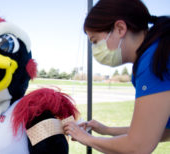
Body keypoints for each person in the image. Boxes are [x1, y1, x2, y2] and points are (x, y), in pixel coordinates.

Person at [63, 0, 170, 153]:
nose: (95, 49)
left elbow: (138, 147)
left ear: (120, 28)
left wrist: (86, 138)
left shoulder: (154, 60)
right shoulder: (157, 51)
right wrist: (106, 130)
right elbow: (161, 132)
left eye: (95, 41)